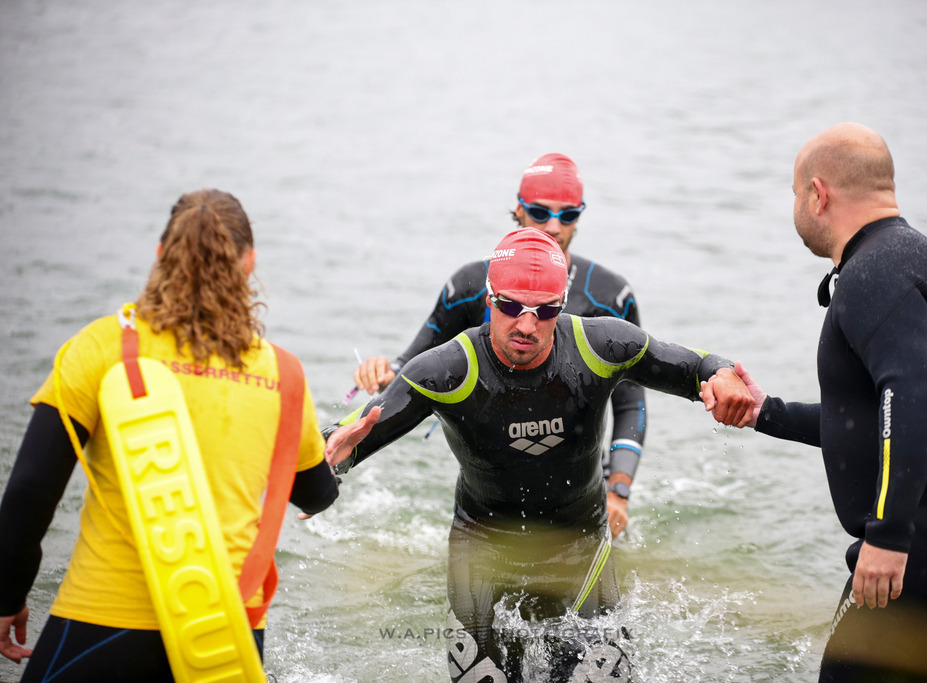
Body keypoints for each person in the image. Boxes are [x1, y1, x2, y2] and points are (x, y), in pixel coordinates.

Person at [325, 227, 754, 682]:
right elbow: (344, 441)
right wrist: (327, 460)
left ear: (562, 305)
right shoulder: (446, 370)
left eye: (545, 310)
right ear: (489, 299)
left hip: (579, 548)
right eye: (510, 306)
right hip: (483, 553)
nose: (527, 325)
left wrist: (723, 374)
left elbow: (695, 365)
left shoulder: (599, 347)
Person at [708, 122, 927, 682]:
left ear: (817, 193)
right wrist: (767, 413)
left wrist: (888, 536)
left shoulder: (874, 271)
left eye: (794, 193)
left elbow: (911, 394)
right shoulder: (906, 259)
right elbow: (883, 417)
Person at [0, 189, 343, 680]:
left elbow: (30, 490)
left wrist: (8, 596)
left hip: (102, 624)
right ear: (249, 264)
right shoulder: (282, 374)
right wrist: (336, 450)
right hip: (226, 639)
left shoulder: (104, 347)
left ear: (161, 254)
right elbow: (315, 493)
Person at [353, 153, 645, 539]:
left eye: (568, 215)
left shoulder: (609, 297)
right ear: (518, 210)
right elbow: (415, 366)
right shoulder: (472, 286)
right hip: (489, 486)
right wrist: (385, 373)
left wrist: (618, 491)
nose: (554, 227)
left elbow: (630, 401)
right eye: (540, 213)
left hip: (579, 487)